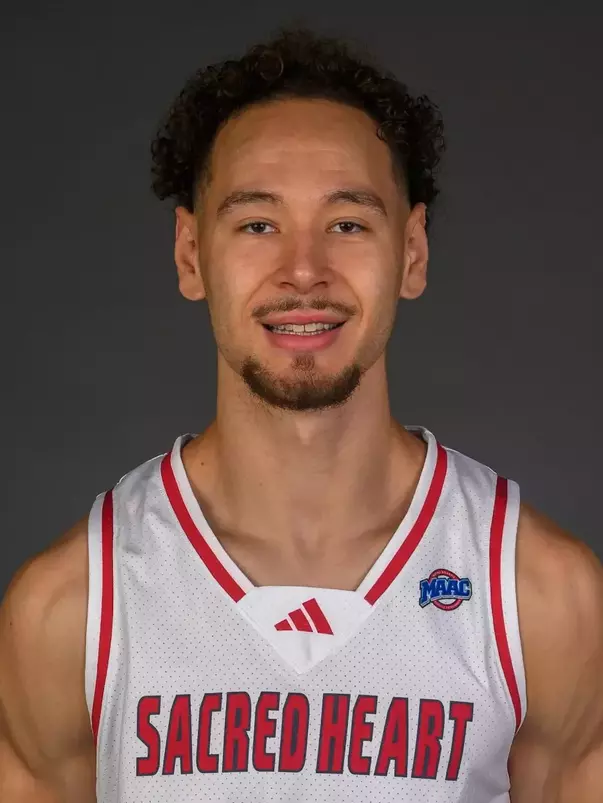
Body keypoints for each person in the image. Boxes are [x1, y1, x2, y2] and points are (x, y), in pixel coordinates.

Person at [1, 26, 602, 803]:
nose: (304, 270)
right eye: (257, 223)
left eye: (347, 223)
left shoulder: (539, 598)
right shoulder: (70, 611)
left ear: (412, 252)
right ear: (191, 255)